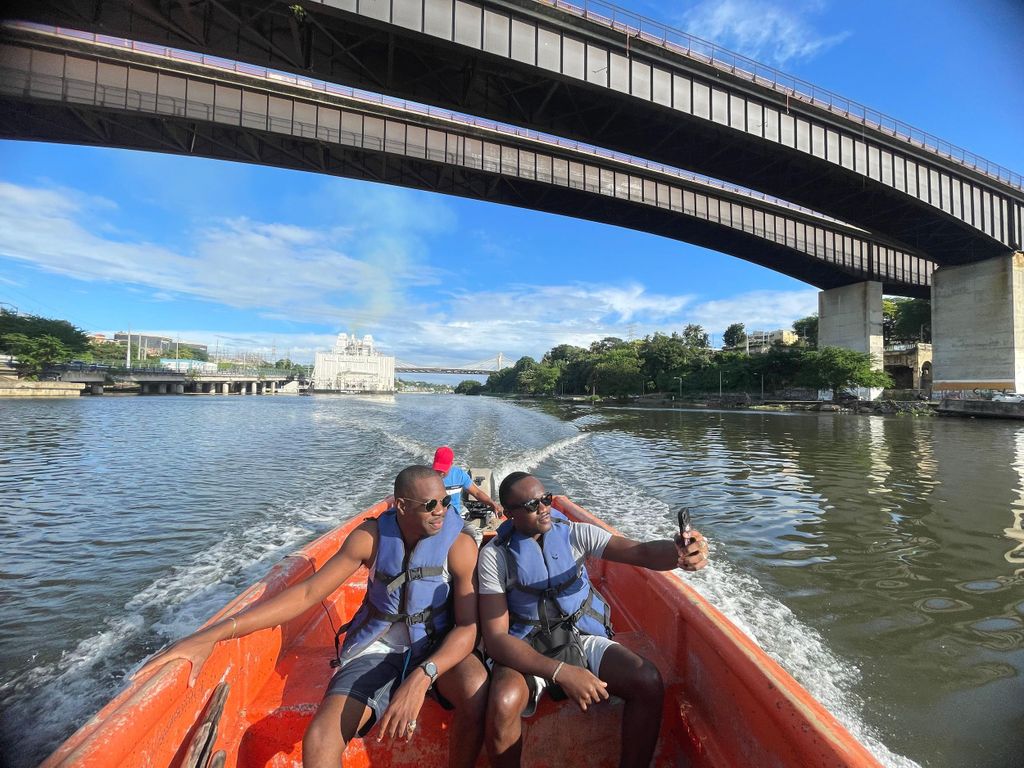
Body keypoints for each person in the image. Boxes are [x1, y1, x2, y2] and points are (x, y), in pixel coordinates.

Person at [133, 465, 489, 768]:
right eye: (430, 504)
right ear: (400, 506)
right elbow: (306, 593)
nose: (442, 510)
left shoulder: (459, 547)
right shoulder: (370, 539)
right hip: (378, 648)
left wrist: (423, 677)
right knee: (319, 740)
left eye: (444, 501)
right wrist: (212, 635)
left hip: (436, 648)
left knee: (476, 689)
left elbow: (468, 627)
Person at [477, 471, 710, 768]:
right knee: (503, 702)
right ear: (509, 514)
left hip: (580, 636)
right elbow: (496, 640)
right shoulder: (494, 557)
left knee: (647, 681)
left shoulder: (576, 533)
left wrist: (678, 552)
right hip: (528, 645)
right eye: (532, 504)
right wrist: (562, 671)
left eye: (546, 499)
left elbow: (642, 552)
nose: (544, 508)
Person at [433, 445, 503, 520]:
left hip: (455, 516)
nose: (441, 472)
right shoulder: (426, 477)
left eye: (444, 468)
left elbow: (477, 493)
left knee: (473, 532)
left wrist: (493, 504)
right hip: (435, 516)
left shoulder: (459, 475)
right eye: (438, 468)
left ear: (451, 464)